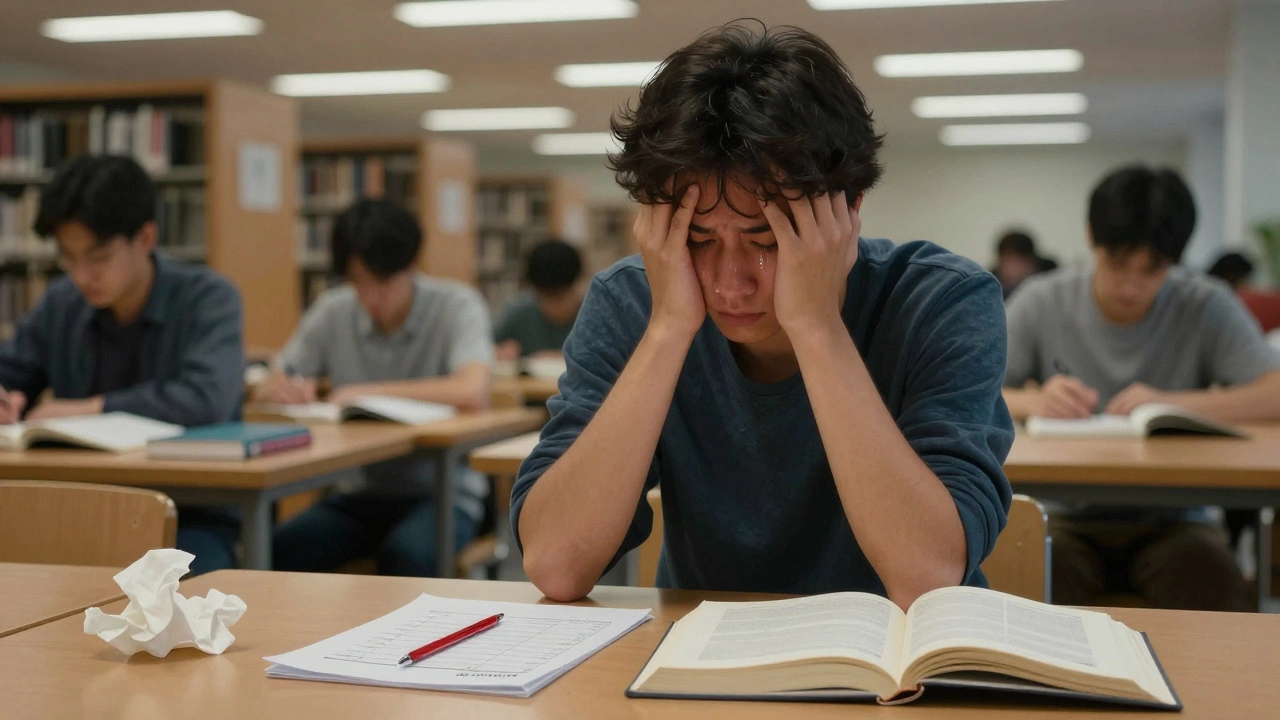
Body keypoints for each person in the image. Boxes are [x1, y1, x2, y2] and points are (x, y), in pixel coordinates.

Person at [511, 23, 1014, 607]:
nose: (730, 283)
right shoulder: (634, 301)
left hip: (899, 665)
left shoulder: (943, 301)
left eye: (767, 242)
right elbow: (555, 563)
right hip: (700, 661)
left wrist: (817, 327)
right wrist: (669, 328)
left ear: (849, 211)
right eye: (697, 240)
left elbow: (925, 575)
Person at [1002, 165, 1280, 610]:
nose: (1131, 284)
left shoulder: (1204, 303)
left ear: (1175, 259)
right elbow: (974, 390)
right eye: (1117, 262)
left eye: (1152, 269)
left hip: (1176, 522)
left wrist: (1175, 403)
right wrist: (1034, 400)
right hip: (1063, 518)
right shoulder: (1042, 299)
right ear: (1091, 236)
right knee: (1019, 598)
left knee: (1218, 590)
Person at [0, 154, 245, 574]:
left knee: (166, 586)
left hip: (190, 512)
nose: (81, 275)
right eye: (67, 258)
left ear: (146, 238)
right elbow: (13, 368)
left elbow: (205, 399)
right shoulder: (62, 303)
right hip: (84, 507)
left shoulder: (208, 298)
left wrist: (89, 407)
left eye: (97, 257)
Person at [257, 198, 494, 577]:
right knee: (275, 552)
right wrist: (280, 388)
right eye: (358, 283)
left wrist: (367, 393)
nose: (371, 298)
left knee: (407, 557)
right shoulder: (334, 309)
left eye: (383, 282)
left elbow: (472, 391)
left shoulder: (456, 305)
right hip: (357, 493)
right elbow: (272, 379)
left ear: (411, 266)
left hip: (441, 493)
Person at [494, 239, 585, 361]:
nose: (553, 307)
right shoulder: (519, 312)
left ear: (577, 285)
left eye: (559, 297)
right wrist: (499, 352)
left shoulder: (595, 315)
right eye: (546, 298)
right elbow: (481, 348)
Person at [992, 230, 1057, 299]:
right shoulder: (990, 289)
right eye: (1011, 262)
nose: (1015, 269)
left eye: (1020, 262)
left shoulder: (1051, 285)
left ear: (1033, 262)